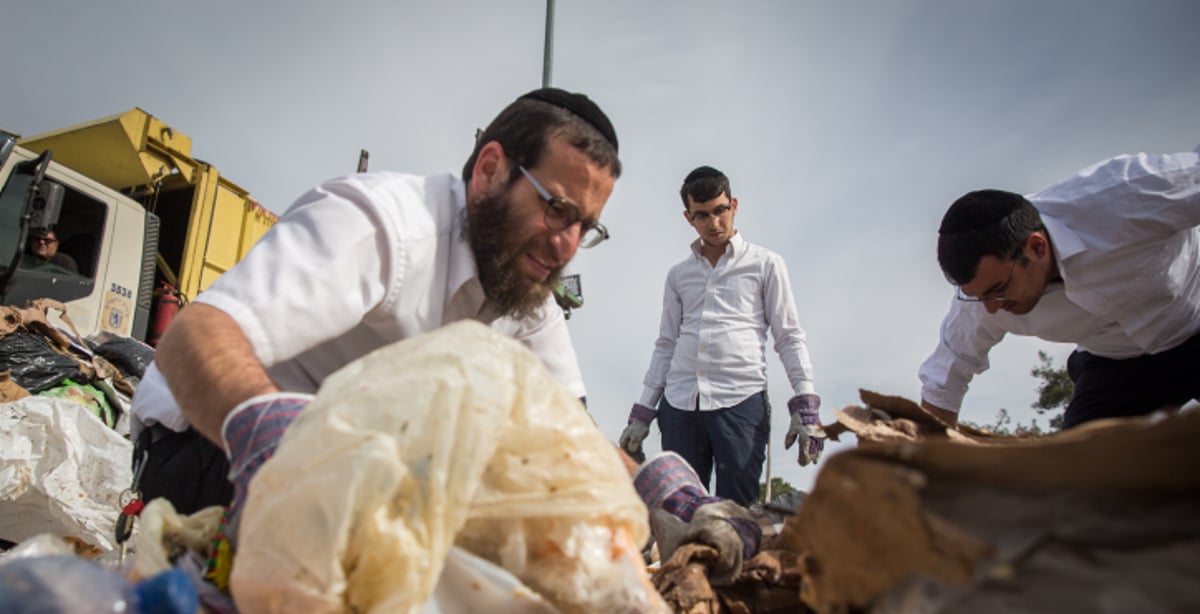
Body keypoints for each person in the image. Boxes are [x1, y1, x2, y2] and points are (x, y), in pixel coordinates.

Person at [130, 87, 621, 517]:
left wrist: (665, 496)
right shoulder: (383, 223)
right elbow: (193, 337)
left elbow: (574, 440)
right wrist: (283, 446)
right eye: (557, 210)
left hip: (354, 484)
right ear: (490, 170)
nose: (567, 245)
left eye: (586, 227)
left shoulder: (528, 290)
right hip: (210, 451)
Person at [919, 147, 1200, 430]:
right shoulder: (979, 302)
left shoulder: (1121, 196)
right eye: (978, 297)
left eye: (998, 289)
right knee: (1074, 468)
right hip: (1116, 364)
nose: (991, 307)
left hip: (1195, 322)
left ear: (1036, 246)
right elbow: (943, 383)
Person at [618, 166, 824, 507]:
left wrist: (806, 404)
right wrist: (643, 413)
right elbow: (666, 343)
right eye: (702, 216)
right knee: (678, 509)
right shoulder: (678, 275)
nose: (713, 223)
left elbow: (788, 336)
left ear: (734, 206)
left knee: (736, 513)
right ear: (688, 218)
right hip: (681, 403)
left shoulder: (766, 264)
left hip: (740, 400)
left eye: (720, 211)